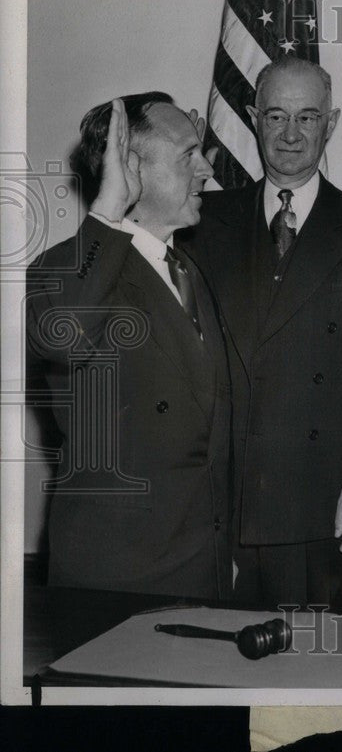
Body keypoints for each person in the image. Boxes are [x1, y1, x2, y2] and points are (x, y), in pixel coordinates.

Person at [180, 56, 342, 612]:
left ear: (331, 122)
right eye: (276, 116)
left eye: (307, 118)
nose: (290, 134)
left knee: (307, 658)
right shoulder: (203, 220)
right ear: (252, 118)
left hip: (318, 492)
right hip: (218, 490)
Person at [26, 94, 232, 599]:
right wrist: (109, 209)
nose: (207, 167)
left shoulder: (189, 272)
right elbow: (64, 335)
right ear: (132, 166)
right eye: (189, 154)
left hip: (200, 566)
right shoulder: (60, 270)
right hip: (119, 577)